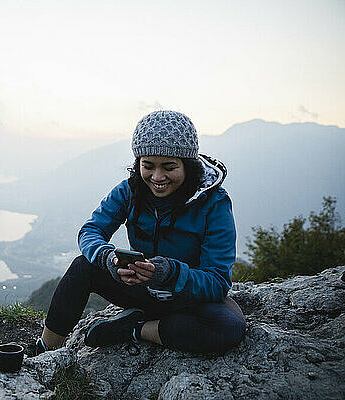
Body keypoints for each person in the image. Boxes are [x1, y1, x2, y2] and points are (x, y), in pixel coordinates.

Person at [35, 110, 246, 355]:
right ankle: (45, 350)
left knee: (227, 327)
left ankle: (134, 328)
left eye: (169, 167)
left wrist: (169, 273)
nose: (157, 177)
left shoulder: (214, 203)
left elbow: (217, 281)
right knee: (83, 267)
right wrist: (108, 258)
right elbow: (91, 230)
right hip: (141, 289)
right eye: (148, 166)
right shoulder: (130, 191)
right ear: (138, 164)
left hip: (187, 297)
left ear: (188, 166)